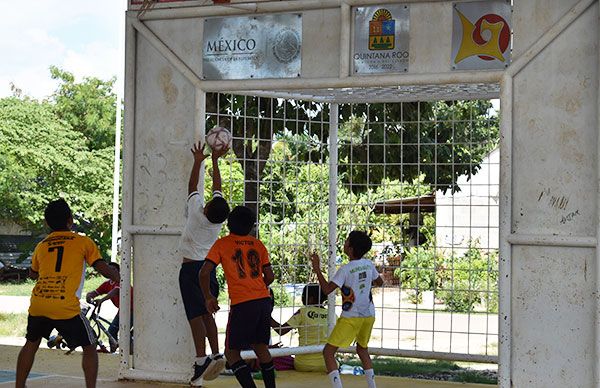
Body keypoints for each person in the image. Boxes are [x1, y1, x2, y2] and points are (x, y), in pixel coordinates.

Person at [15, 199, 120, 388]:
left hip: (39, 303)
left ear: (47, 224)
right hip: (65, 306)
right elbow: (102, 267)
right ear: (70, 220)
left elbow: (33, 273)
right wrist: (118, 275)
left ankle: (19, 386)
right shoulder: (83, 241)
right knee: (90, 346)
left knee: (31, 344)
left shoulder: (42, 245)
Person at [200, 206, 276, 388]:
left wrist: (209, 297)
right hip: (264, 300)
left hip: (243, 303)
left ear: (228, 224)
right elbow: (270, 276)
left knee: (231, 353)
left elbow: (204, 273)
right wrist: (257, 287)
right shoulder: (258, 244)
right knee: (261, 347)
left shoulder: (222, 244)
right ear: (251, 226)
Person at [178, 140, 230, 386]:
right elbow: (217, 187)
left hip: (190, 269)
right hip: (208, 270)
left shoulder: (197, 212)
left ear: (206, 207)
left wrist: (199, 161)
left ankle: (201, 359)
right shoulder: (217, 222)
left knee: (194, 316)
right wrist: (217, 161)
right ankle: (216, 352)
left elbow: (191, 185)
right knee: (208, 311)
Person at [310, 231, 383, 388]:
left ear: (350, 248)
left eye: (346, 241)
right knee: (362, 349)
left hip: (351, 317)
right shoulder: (369, 264)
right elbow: (380, 282)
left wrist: (317, 269)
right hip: (369, 314)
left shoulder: (346, 269)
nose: (344, 243)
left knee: (328, 352)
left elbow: (327, 289)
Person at [270, 283, 329, 372]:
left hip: (303, 364)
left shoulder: (302, 312)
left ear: (310, 299)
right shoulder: (332, 315)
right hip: (327, 364)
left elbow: (281, 331)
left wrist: (265, 315)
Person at [85, 262, 132, 352]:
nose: (111, 272)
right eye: (110, 269)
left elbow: (115, 291)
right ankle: (113, 352)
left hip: (133, 309)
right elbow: (96, 292)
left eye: (114, 270)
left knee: (123, 331)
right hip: (123, 310)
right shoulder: (107, 284)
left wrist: (102, 300)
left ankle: (129, 353)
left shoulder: (121, 281)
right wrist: (89, 295)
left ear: (119, 272)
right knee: (112, 331)